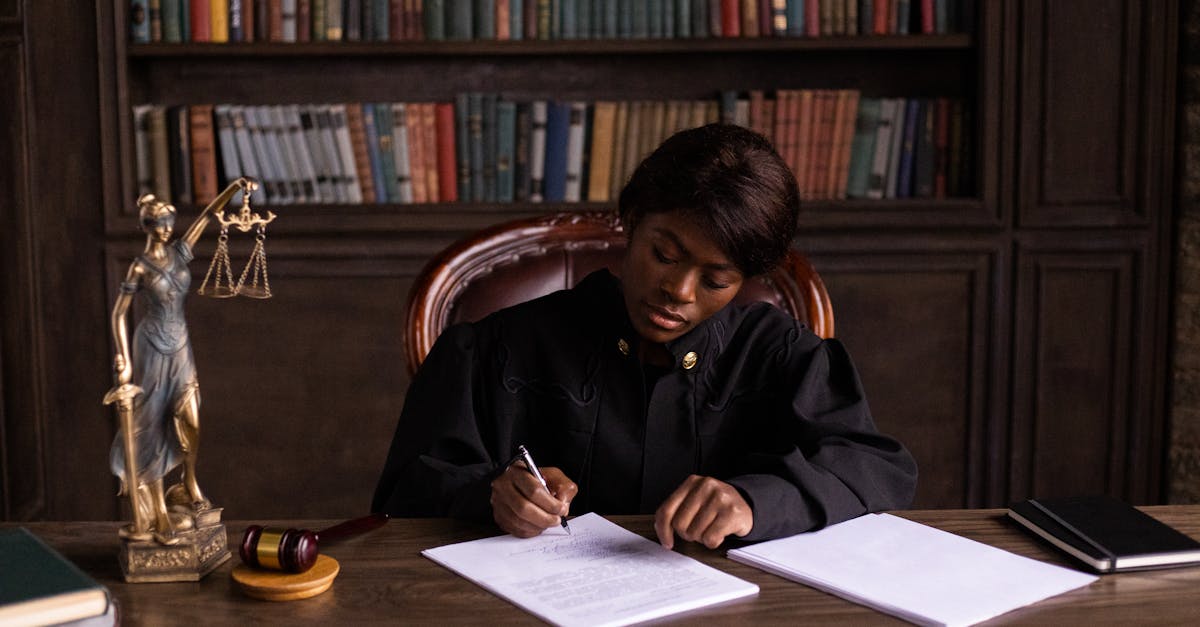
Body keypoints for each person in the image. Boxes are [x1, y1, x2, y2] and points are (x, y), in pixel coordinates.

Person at [372, 124, 917, 549]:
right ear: (631, 221)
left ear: (745, 280)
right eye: (664, 254)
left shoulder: (779, 353)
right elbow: (403, 496)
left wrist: (756, 501)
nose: (678, 290)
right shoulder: (498, 347)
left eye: (715, 280)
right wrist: (492, 494)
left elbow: (876, 467)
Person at [105, 178, 255, 544]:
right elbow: (119, 312)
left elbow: (209, 214)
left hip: (181, 344)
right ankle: (158, 510)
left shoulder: (180, 251)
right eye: (160, 224)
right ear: (147, 226)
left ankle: (188, 479)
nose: (167, 229)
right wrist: (123, 356)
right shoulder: (140, 267)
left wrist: (234, 188)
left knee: (191, 419)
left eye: (170, 222)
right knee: (153, 422)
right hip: (151, 347)